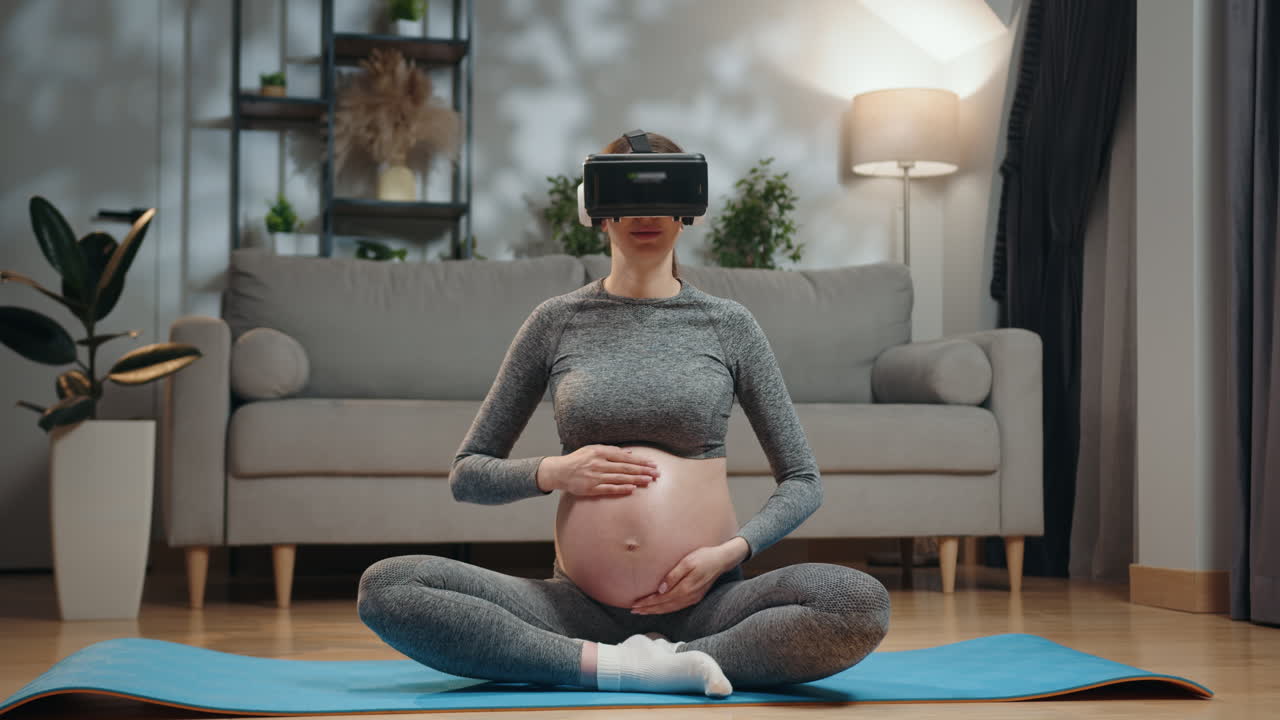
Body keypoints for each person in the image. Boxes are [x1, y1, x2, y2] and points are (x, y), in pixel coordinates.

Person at [356, 132, 891, 697]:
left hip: (711, 605)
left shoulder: (728, 325)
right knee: (389, 587)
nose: (645, 213)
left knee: (854, 603)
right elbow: (468, 474)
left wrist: (729, 553)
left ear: (690, 207)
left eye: (664, 194)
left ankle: (665, 658)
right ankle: (633, 667)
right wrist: (553, 472)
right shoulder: (555, 322)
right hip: (573, 610)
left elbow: (803, 481)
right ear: (595, 209)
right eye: (625, 195)